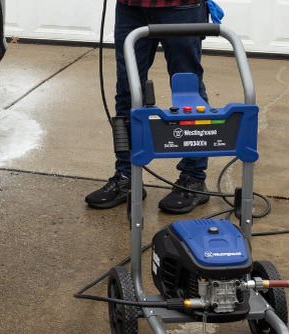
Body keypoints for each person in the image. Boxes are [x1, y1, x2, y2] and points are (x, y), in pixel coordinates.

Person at [86, 0, 211, 214]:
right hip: (131, 6)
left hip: (181, 6)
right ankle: (127, 176)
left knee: (187, 91)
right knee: (128, 91)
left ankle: (193, 178)